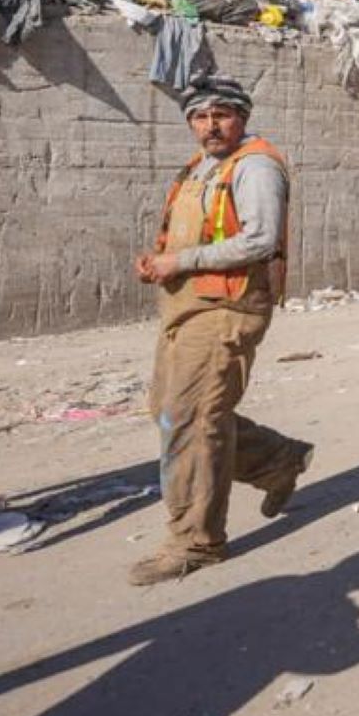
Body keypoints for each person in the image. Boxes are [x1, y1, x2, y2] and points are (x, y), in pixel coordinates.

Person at [128, 74, 312, 585]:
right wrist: (164, 263)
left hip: (227, 310)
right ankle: (276, 460)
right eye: (200, 117)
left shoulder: (254, 166)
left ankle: (196, 542)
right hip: (188, 305)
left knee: (191, 420)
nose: (211, 126)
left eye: (221, 115)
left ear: (242, 118)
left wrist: (180, 260)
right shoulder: (201, 167)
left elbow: (259, 240)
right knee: (172, 411)